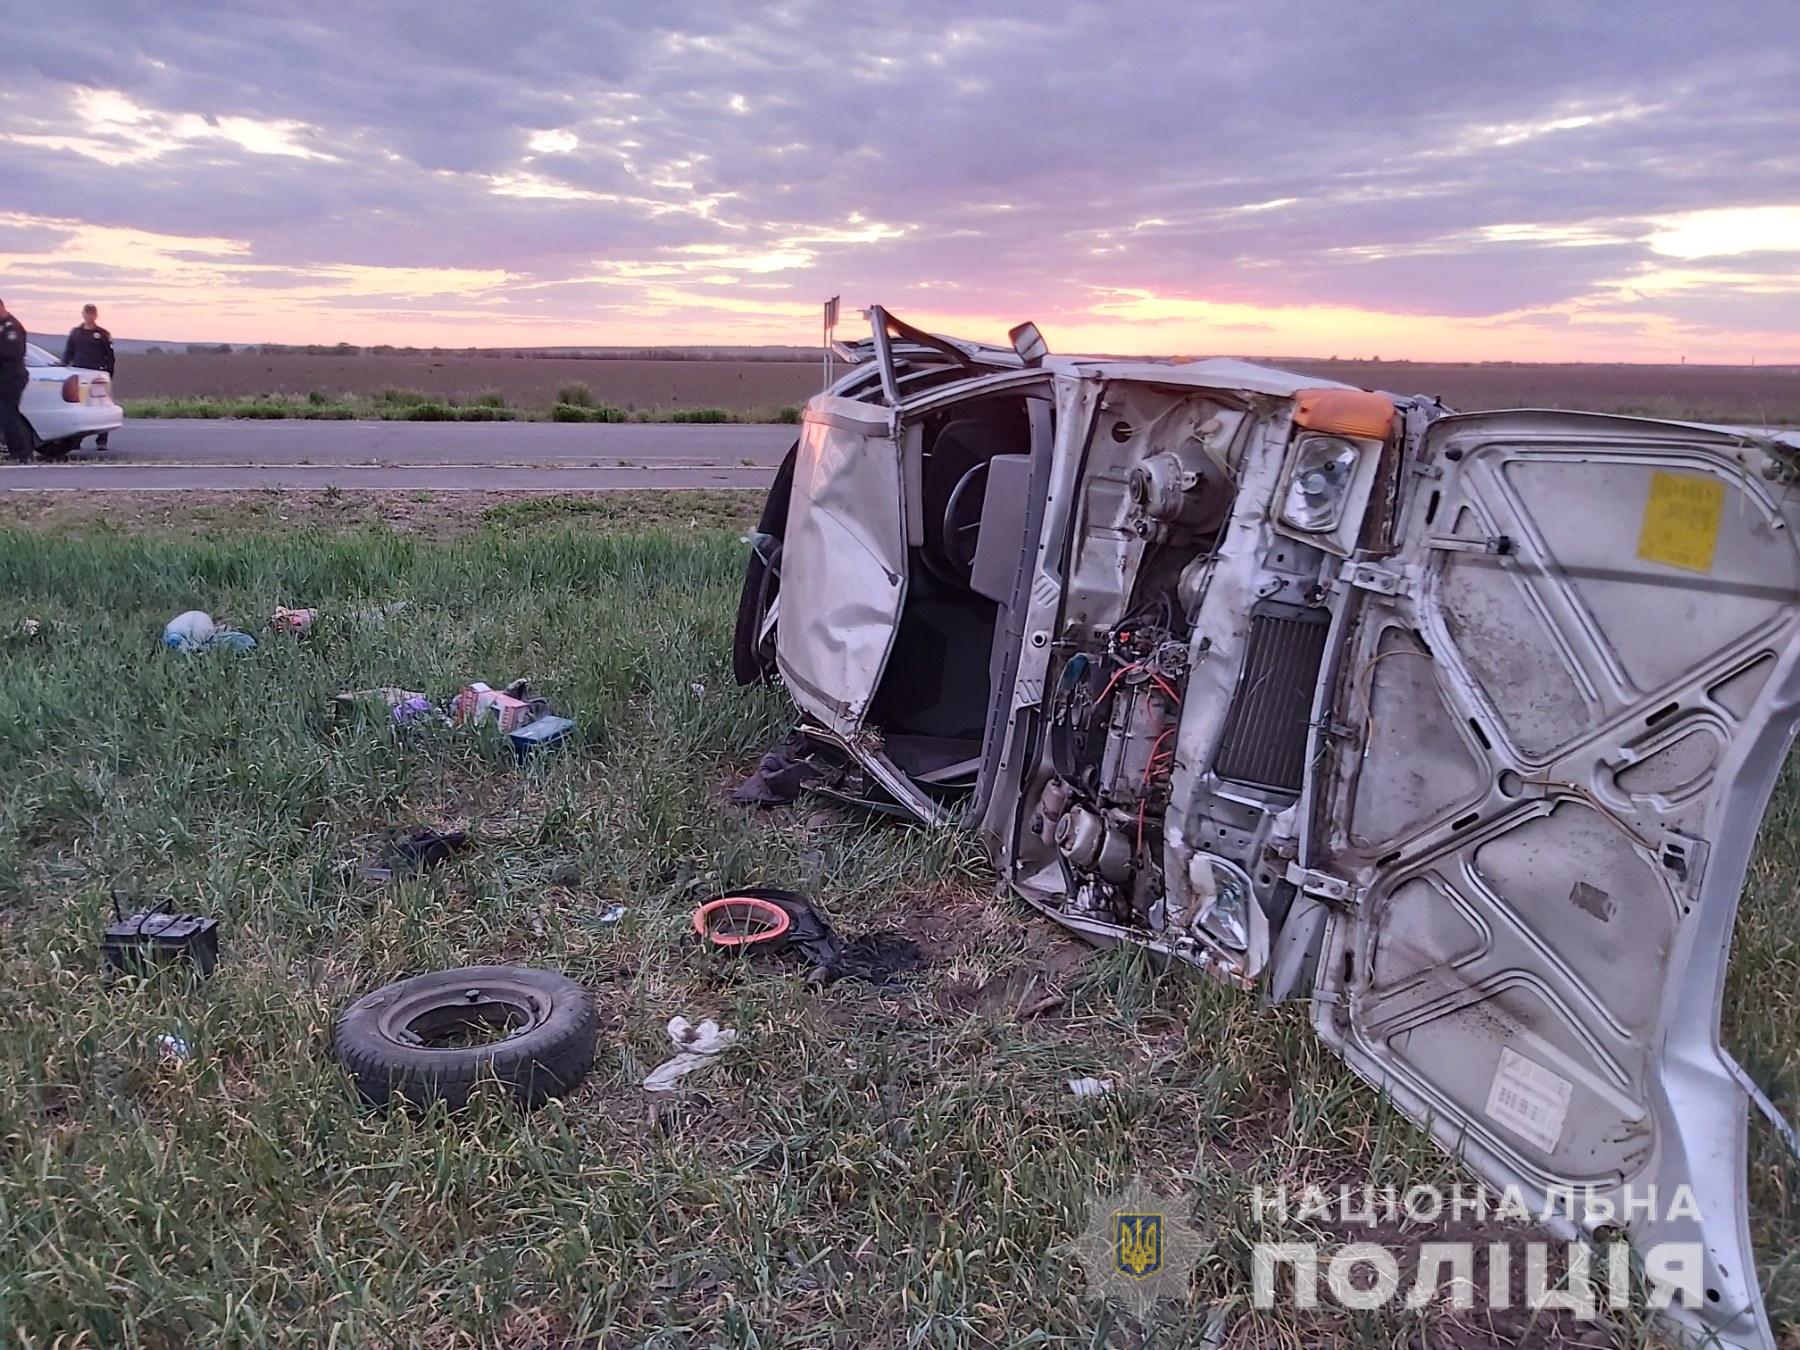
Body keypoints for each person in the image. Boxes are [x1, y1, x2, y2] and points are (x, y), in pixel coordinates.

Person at [63, 303, 116, 448]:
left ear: (96, 315)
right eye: (87, 313)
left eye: (92, 313)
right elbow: (68, 353)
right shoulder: (76, 333)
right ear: (83, 314)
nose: (89, 316)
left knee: (101, 407)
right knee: (79, 407)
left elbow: (110, 356)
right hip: (79, 374)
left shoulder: (103, 334)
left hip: (97, 376)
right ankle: (76, 440)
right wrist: (64, 368)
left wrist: (109, 374)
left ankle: (102, 441)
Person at [0, 297, 31, 463]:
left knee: (8, 413)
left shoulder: (13, 328)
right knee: (6, 414)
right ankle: (17, 450)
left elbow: (13, 353)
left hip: (12, 375)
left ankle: (20, 453)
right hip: (4, 375)